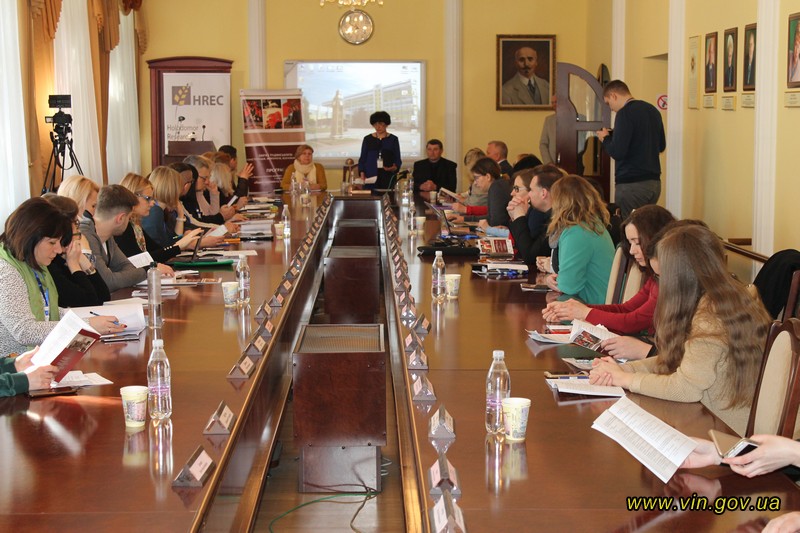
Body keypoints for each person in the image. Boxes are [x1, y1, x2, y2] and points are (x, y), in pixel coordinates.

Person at [589, 224, 772, 435]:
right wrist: (625, 370)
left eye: (661, 277)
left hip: (725, 432)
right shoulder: (727, 297)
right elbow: (677, 361)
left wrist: (624, 379)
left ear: (682, 279)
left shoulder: (709, 319)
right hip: (718, 419)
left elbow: (685, 389)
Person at [0, 198, 123, 355]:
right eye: (52, 243)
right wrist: (86, 324)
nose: (59, 250)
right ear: (29, 238)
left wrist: (89, 318)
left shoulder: (33, 265)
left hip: (38, 358)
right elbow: (25, 331)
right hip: (13, 365)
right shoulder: (6, 271)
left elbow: (47, 310)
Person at [542, 205, 676, 334]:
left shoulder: (669, 280)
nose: (631, 250)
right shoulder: (656, 277)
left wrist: (584, 312)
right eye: (630, 243)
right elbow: (625, 309)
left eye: (637, 242)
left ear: (656, 239)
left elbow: (632, 322)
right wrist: (572, 310)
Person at [596, 80, 666, 219]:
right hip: (653, 184)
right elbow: (661, 146)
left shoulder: (624, 113)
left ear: (614, 95)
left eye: (608, 103)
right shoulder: (652, 110)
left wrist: (606, 138)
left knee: (629, 227)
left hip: (632, 185)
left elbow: (617, 152)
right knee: (646, 226)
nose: (610, 108)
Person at [544, 175, 614, 304]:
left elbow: (569, 286)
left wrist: (549, 280)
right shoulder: (593, 225)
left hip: (593, 305)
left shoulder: (576, 232)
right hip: (600, 301)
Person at [80, 185, 156, 292]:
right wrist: (147, 270)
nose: (128, 222)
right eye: (128, 218)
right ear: (120, 218)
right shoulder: (86, 235)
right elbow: (108, 282)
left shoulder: (108, 235)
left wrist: (119, 277)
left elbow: (127, 266)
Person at [116, 172, 201, 263]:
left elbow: (157, 250)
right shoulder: (123, 227)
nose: (152, 203)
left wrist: (180, 245)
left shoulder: (135, 225)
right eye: (148, 198)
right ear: (132, 197)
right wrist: (179, 246)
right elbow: (139, 260)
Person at [43, 194, 111, 307]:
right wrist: (74, 265)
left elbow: (103, 297)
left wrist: (85, 262)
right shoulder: (50, 264)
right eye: (75, 223)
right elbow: (89, 302)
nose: (78, 230)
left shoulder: (65, 256)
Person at [507, 164, 562, 264]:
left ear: (543, 193)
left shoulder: (558, 219)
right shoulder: (548, 215)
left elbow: (530, 256)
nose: (529, 194)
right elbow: (520, 248)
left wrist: (519, 217)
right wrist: (515, 218)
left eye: (531, 190)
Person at [448, 157, 512, 229]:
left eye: (476, 178)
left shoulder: (496, 188)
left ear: (488, 177)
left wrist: (468, 222)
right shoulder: (498, 185)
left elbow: (494, 222)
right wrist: (464, 219)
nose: (475, 183)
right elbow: (490, 217)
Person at [358, 111, 401, 190]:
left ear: (386, 124)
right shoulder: (367, 139)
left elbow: (397, 160)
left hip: (387, 178)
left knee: (388, 196)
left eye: (380, 124)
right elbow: (362, 159)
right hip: (370, 178)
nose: (378, 127)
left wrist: (393, 168)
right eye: (375, 124)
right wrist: (362, 173)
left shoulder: (393, 139)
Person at [539, 94, 557, 164]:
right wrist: (548, 162)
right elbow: (543, 144)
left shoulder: (573, 119)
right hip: (552, 164)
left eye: (556, 102)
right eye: (552, 103)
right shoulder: (549, 120)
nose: (554, 105)